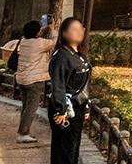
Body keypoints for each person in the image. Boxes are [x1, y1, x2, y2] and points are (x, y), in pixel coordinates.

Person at [1, 19, 55, 143]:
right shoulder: (40, 43)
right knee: (31, 107)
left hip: (21, 79)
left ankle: (24, 131)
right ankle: (23, 133)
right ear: (37, 32)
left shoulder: (23, 41)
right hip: (34, 80)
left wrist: (42, 30)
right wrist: (51, 29)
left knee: (26, 106)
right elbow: (55, 41)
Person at [48, 18, 92, 164]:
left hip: (77, 107)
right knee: (64, 150)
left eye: (81, 28)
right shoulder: (61, 56)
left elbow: (84, 85)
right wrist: (61, 110)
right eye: (74, 29)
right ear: (64, 33)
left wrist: (86, 107)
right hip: (65, 109)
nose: (79, 32)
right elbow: (58, 84)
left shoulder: (79, 55)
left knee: (73, 147)